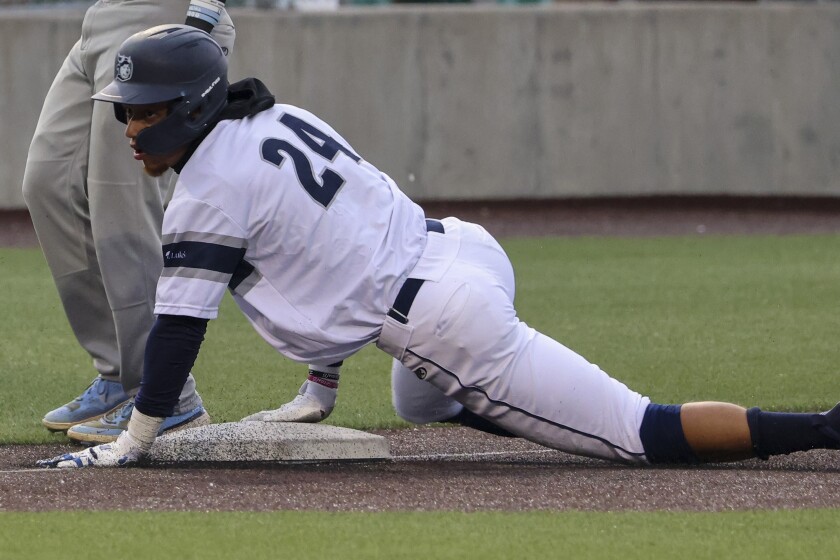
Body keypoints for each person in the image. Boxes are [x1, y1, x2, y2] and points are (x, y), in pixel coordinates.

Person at [37, 24, 840, 468]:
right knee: (418, 400)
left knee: (641, 433)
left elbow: (178, 332)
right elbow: (333, 248)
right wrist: (320, 387)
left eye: (141, 112)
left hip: (446, 319)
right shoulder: (281, 120)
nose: (128, 128)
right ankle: (527, 406)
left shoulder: (207, 190)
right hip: (458, 250)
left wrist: (136, 440)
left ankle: (821, 429)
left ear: (188, 107)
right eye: (125, 111)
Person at [19, 0, 336, 443]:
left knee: (121, 210)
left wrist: (197, 24)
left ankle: (165, 395)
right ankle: (120, 373)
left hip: (163, 18)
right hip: (99, 21)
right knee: (46, 184)